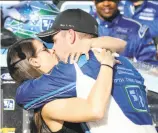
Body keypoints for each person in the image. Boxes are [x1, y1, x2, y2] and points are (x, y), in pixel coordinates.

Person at [8, 9, 156, 133]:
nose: (53, 49)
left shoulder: (75, 67)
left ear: (71, 36)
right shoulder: (125, 62)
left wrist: (106, 65)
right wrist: (97, 44)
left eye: (54, 41)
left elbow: (22, 96)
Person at [91, 0, 158, 65]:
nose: (106, 3)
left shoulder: (136, 29)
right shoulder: (84, 26)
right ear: (94, 1)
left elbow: (149, 66)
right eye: (101, 0)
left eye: (111, 0)